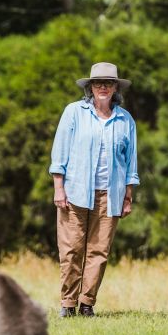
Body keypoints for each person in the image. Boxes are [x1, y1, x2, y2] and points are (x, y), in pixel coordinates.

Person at [49, 62, 139, 318]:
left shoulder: (125, 119)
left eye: (108, 83)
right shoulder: (74, 112)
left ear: (115, 88)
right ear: (90, 87)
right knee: (71, 248)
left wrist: (128, 195)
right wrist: (59, 188)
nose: (103, 87)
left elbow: (131, 161)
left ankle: (87, 302)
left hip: (110, 194)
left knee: (99, 251)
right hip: (75, 192)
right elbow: (60, 152)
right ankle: (68, 303)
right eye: (98, 83)